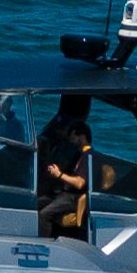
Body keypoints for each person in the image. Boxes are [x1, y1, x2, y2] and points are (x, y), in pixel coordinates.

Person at [36, 95, 94, 240]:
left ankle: (45, 242)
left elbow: (80, 183)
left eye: (72, 136)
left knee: (45, 214)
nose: (70, 140)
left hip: (73, 197)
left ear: (81, 136)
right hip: (63, 194)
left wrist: (59, 175)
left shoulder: (88, 156)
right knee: (34, 203)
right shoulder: (77, 153)